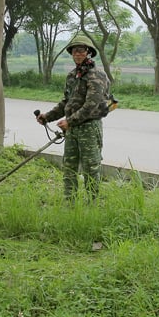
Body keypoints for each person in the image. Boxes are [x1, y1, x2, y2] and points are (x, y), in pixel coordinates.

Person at [36, 33, 111, 201]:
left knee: (91, 167)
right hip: (72, 129)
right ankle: (70, 202)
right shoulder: (72, 76)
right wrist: (47, 117)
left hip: (89, 128)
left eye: (81, 50)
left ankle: (92, 204)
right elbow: (66, 103)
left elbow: (91, 105)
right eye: (74, 51)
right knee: (69, 167)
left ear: (88, 52)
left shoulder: (96, 75)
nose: (78, 54)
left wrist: (69, 121)